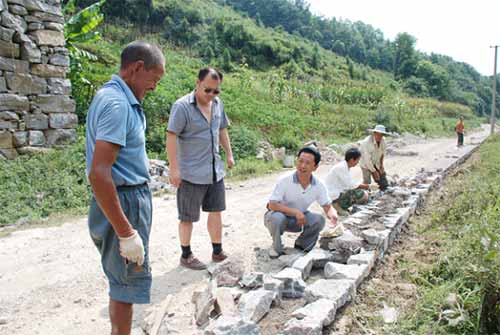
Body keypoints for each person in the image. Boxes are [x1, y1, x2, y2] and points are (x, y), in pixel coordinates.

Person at [86, 41, 165, 335]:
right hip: (125, 201)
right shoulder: (118, 104)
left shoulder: (114, 97)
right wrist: (126, 232)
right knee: (126, 285)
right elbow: (99, 173)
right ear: (137, 68)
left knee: (122, 282)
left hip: (126, 197)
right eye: (154, 79)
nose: (155, 86)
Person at [166, 67, 235, 270]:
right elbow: (171, 136)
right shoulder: (182, 107)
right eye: (207, 90)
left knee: (216, 211)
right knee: (187, 216)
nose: (211, 95)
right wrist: (174, 168)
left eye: (216, 91)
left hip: (214, 170)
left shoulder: (218, 104)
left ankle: (217, 250)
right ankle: (186, 255)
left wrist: (229, 154)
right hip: (190, 173)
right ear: (197, 84)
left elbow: (222, 129)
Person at [264, 146, 338, 258]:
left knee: (319, 220)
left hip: (299, 220)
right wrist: (295, 212)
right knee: (277, 218)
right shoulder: (285, 180)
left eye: (308, 163)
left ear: (315, 167)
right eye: (300, 161)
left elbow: (327, 206)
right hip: (278, 217)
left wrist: (333, 215)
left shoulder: (318, 185)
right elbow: (272, 205)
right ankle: (276, 246)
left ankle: (302, 246)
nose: (303, 166)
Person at [325, 147, 369, 214]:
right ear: (352, 160)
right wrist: (367, 186)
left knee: (362, 193)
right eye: (357, 160)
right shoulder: (341, 168)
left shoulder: (344, 167)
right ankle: (337, 206)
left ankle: (340, 205)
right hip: (333, 196)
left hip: (336, 193)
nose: (358, 162)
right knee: (362, 194)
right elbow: (351, 185)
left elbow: (349, 184)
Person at [359, 124, 390, 191]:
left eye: (381, 135)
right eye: (378, 134)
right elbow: (367, 160)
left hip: (376, 162)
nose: (379, 136)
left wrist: (381, 166)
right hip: (366, 164)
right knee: (367, 182)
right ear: (374, 133)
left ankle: (383, 191)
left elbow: (382, 154)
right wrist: (374, 171)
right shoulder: (366, 143)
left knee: (383, 182)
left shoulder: (383, 141)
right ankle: (365, 194)